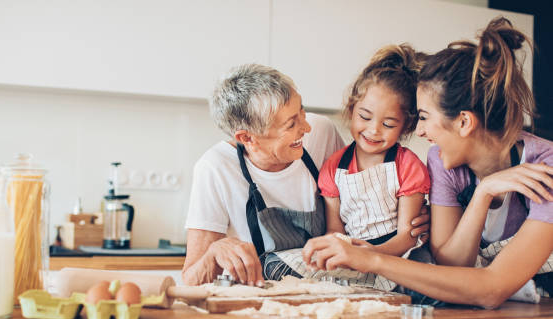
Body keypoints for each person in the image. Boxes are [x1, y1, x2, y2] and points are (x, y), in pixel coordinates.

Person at [303, 17, 553, 308]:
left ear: (463, 122)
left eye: (423, 117)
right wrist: (483, 194)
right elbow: (452, 265)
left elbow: (491, 289)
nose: (419, 131)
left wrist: (372, 259)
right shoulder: (444, 161)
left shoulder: (545, 168)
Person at [182, 64, 430, 286]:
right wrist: (215, 252)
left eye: (301, 110)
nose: (306, 126)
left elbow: (360, 200)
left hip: (331, 288)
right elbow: (190, 277)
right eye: (291, 124)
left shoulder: (321, 132)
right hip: (265, 299)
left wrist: (411, 220)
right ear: (247, 138)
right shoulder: (214, 168)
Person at [316, 44, 430, 291]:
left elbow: (407, 236)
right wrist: (347, 254)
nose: (373, 130)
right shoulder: (333, 168)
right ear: (351, 109)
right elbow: (335, 233)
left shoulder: (408, 166)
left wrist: (373, 255)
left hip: (399, 258)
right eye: (365, 117)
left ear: (406, 126)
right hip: (353, 257)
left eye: (388, 124)